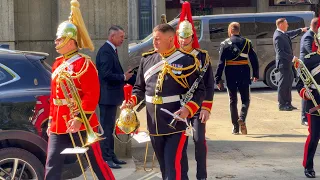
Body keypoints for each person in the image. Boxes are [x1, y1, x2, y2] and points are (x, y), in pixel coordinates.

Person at [121, 23, 205, 180]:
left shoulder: (187, 60)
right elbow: (139, 89)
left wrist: (188, 109)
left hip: (176, 123)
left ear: (171, 39)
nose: (154, 42)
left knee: (173, 167)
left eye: (158, 39)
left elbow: (200, 90)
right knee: (165, 167)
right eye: (154, 39)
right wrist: (131, 102)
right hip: (154, 124)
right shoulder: (147, 60)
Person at [45, 1, 115, 179]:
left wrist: (78, 119)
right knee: (52, 164)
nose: (56, 42)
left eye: (59, 39)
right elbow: (54, 96)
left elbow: (91, 95)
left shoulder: (85, 63)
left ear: (70, 41)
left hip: (82, 121)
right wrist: (51, 120)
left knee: (96, 163)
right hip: (59, 123)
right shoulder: (57, 64)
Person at [174, 2, 214, 180]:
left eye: (187, 37)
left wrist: (206, 107)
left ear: (192, 36)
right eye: (181, 37)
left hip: (197, 105)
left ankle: (202, 176)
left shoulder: (202, 56)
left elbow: (209, 83)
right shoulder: (172, 56)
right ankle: (183, 176)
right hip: (178, 106)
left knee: (199, 141)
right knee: (180, 144)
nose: (184, 41)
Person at [96, 25, 135, 168]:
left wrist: (125, 76)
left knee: (110, 128)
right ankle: (106, 158)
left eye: (123, 37)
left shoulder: (112, 50)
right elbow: (105, 75)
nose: (123, 39)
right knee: (106, 129)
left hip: (111, 98)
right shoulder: (106, 51)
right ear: (112, 37)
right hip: (107, 98)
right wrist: (123, 76)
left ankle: (111, 155)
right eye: (121, 37)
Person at [215, 22, 259, 135]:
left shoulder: (224, 43)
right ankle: (242, 118)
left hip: (230, 73)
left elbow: (220, 63)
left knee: (233, 100)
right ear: (239, 30)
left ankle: (235, 127)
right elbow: (254, 59)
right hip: (243, 73)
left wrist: (218, 79)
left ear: (230, 31)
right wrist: (256, 74)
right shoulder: (247, 42)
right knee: (245, 99)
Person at [295, 28, 320, 178]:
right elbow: (299, 84)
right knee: (314, 136)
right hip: (315, 104)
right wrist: (306, 93)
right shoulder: (309, 60)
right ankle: (308, 166)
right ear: (317, 41)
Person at [273, 18, 308, 111]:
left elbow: (291, 33)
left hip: (287, 64)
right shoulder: (278, 36)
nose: (288, 25)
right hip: (283, 64)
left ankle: (288, 103)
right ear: (281, 25)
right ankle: (282, 104)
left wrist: (301, 30)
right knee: (283, 84)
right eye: (286, 24)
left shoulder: (283, 34)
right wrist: (293, 58)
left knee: (288, 83)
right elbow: (280, 52)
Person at [300, 18, 318, 126]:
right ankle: (304, 117)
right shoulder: (308, 36)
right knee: (307, 92)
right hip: (308, 68)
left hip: (313, 67)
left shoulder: (311, 35)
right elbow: (310, 51)